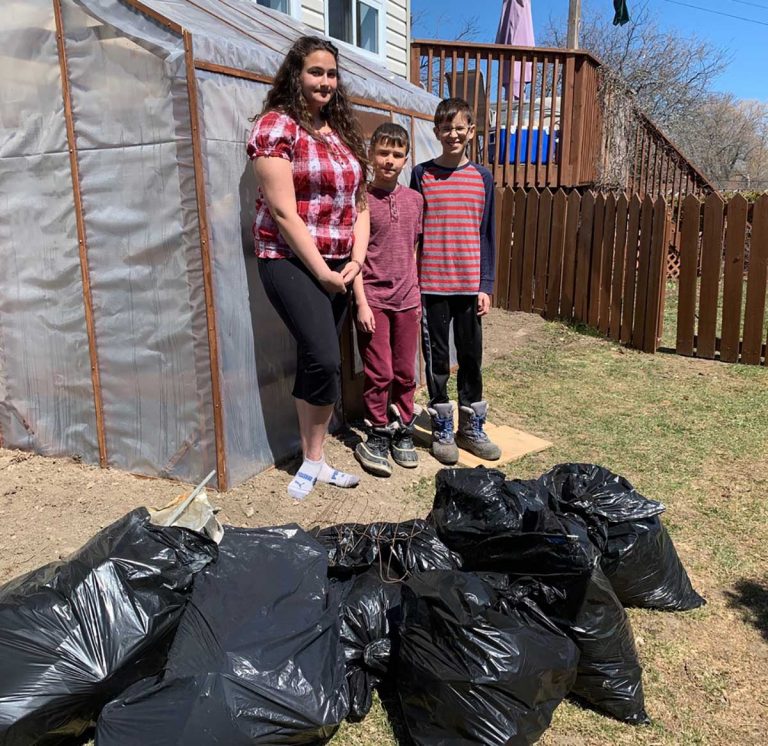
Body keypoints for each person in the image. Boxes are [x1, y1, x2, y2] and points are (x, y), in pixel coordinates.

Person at [247, 36, 369, 500]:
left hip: (339, 264)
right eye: (315, 71)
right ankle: (312, 459)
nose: (325, 81)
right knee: (324, 357)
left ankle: (313, 459)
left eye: (331, 73)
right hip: (289, 260)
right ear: (296, 75)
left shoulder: (340, 132)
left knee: (313, 359)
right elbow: (282, 212)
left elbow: (360, 202)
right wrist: (322, 272)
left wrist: (356, 259)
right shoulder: (276, 126)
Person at [410, 97, 501, 464]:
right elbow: (414, 231)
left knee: (471, 357)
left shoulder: (483, 178)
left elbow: (487, 234)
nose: (453, 134)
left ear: (471, 131)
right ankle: (442, 425)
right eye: (446, 128)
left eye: (460, 128)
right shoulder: (421, 174)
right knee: (437, 359)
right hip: (432, 284)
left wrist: (486, 285)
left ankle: (471, 427)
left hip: (469, 284)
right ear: (436, 132)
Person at [352, 123, 423, 477]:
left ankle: (403, 427)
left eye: (397, 154)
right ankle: (377, 432)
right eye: (383, 153)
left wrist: (416, 291)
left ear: (406, 159)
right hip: (374, 300)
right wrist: (361, 303)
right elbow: (356, 256)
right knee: (379, 372)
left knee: (405, 371)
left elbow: (412, 248)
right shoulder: (361, 199)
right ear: (371, 155)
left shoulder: (415, 200)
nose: (389, 160)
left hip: (408, 300)